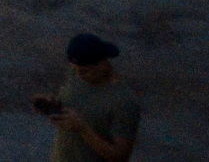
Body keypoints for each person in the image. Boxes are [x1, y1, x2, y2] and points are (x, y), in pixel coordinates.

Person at [32, 31, 139, 162]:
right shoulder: (77, 73)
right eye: (75, 69)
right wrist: (51, 105)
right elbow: (71, 101)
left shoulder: (124, 101)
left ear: (103, 64)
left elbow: (120, 156)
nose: (78, 75)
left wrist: (83, 129)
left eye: (84, 71)